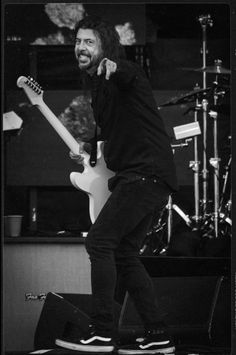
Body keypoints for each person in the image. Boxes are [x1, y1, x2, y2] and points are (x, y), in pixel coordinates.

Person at [55, 15, 178, 354]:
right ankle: (158, 333)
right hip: (144, 177)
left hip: (145, 175)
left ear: (105, 47)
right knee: (123, 253)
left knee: (100, 242)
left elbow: (122, 73)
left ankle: (103, 331)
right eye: (78, 42)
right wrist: (88, 151)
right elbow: (111, 136)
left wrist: (113, 65)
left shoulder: (123, 72)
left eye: (89, 42)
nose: (81, 47)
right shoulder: (99, 90)